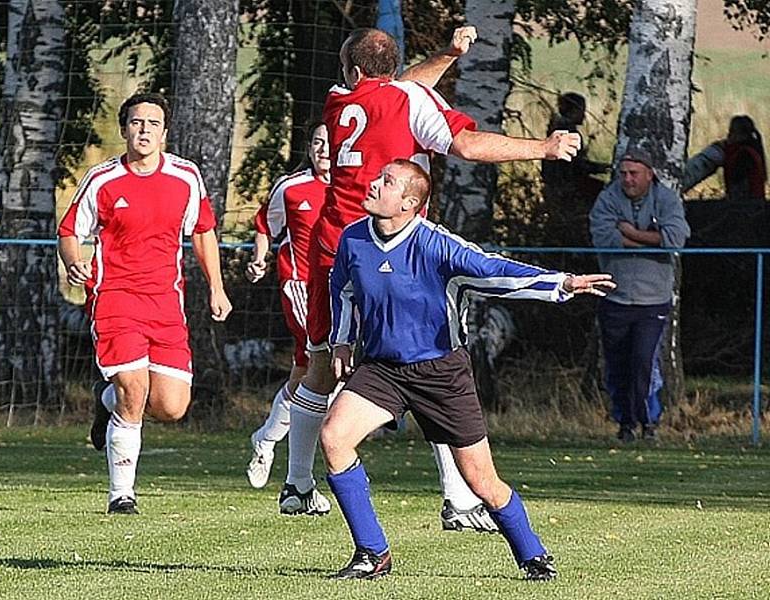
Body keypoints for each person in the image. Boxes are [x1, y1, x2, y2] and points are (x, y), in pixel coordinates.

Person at [286, 26, 582, 528]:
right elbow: (465, 144)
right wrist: (543, 148)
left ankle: (296, 483)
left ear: (353, 72)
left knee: (320, 365)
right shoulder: (407, 100)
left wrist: (446, 55)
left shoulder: (341, 98)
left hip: (335, 245)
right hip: (396, 248)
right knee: (426, 364)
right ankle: (459, 499)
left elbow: (400, 86)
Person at [320, 159, 615, 580]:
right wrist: (343, 340)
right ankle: (372, 553)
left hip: (442, 373)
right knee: (334, 437)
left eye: (385, 182)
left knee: (481, 481)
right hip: (382, 368)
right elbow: (342, 291)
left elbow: (495, 270)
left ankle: (532, 555)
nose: (372, 184)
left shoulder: (437, 246)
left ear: (409, 204)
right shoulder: (353, 240)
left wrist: (560, 283)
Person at [57, 92, 232, 514]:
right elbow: (68, 233)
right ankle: (122, 494)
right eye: (136, 123)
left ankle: (107, 402)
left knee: (171, 407)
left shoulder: (186, 177)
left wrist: (216, 286)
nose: (144, 131)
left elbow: (203, 230)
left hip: (165, 303)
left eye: (153, 124)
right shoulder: (102, 180)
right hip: (114, 298)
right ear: (124, 130)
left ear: (165, 132)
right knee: (134, 389)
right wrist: (75, 262)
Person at [242, 122, 331, 517]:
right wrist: (260, 257)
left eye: (331, 144)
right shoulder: (291, 188)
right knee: (320, 362)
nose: (323, 150)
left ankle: (266, 439)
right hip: (299, 285)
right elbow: (266, 225)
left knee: (303, 371)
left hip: (339, 290)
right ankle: (300, 477)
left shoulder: (359, 186)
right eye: (317, 143)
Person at [589, 146, 690, 442]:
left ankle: (648, 423)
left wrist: (631, 234)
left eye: (634, 174)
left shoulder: (667, 200)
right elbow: (604, 238)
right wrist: (651, 241)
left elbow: (675, 239)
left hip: (653, 299)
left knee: (644, 362)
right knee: (617, 364)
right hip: (615, 296)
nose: (628, 179)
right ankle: (625, 424)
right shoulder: (608, 199)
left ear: (649, 174)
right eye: (623, 174)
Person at [541, 92, 608, 246]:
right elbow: (577, 166)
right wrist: (601, 168)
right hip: (569, 185)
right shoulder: (569, 133)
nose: (584, 117)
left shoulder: (555, 129)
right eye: (582, 111)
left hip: (557, 184)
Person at [683, 115, 767, 202]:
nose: (728, 136)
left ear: (743, 135)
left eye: (732, 132)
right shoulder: (751, 150)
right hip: (753, 203)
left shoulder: (744, 155)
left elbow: (740, 189)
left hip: (748, 205)